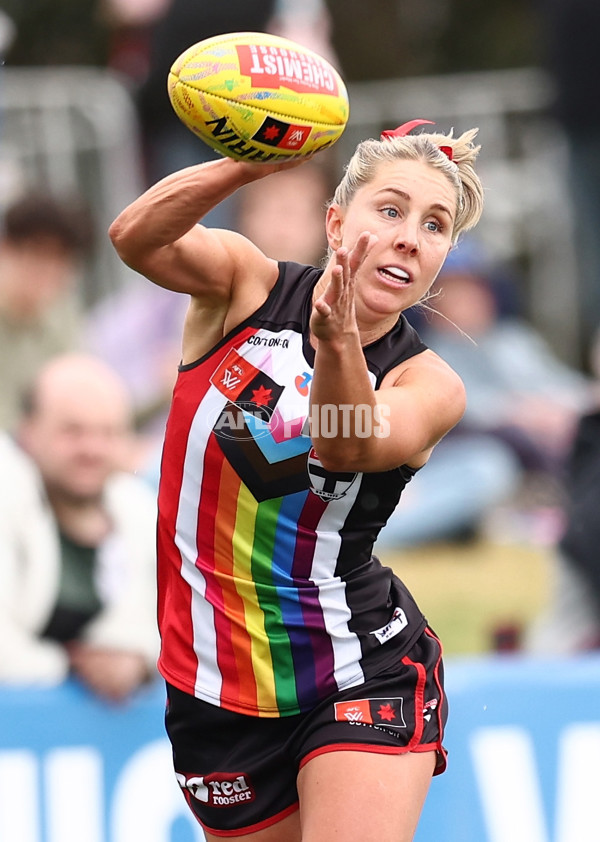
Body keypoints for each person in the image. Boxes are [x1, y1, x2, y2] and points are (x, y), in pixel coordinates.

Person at [108, 118, 485, 841]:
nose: (410, 235)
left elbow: (343, 446)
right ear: (336, 222)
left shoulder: (430, 384)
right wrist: (246, 167)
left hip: (359, 665)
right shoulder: (245, 286)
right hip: (213, 683)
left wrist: (339, 340)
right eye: (391, 209)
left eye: (435, 226)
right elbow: (136, 238)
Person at [0, 353, 160, 703]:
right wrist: (73, 668)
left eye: (108, 432)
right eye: (73, 431)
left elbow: (160, 630)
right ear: (27, 431)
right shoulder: (6, 490)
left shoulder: (138, 509)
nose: (93, 448)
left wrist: (136, 660)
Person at [0, 190, 93, 432]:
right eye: (38, 254)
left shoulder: (62, 315)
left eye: (61, 260)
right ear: (6, 249)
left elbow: (81, 406)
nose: (49, 271)